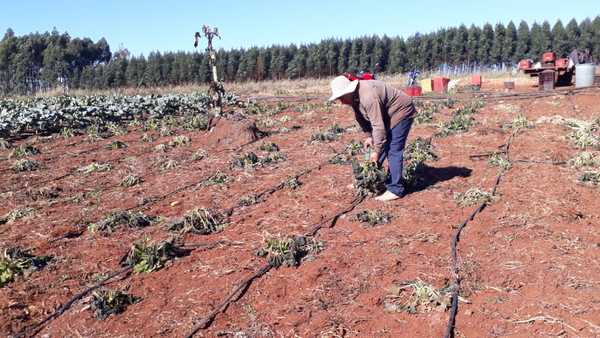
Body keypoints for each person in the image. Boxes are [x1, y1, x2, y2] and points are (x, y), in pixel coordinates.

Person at [329, 75, 416, 202]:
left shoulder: (367, 96)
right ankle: (366, 179)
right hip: (387, 114)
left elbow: (378, 126)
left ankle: (395, 189)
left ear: (348, 91)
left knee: (393, 148)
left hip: (401, 110)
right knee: (378, 145)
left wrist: (376, 150)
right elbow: (361, 118)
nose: (341, 101)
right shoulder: (354, 97)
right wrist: (369, 137)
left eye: (341, 97)